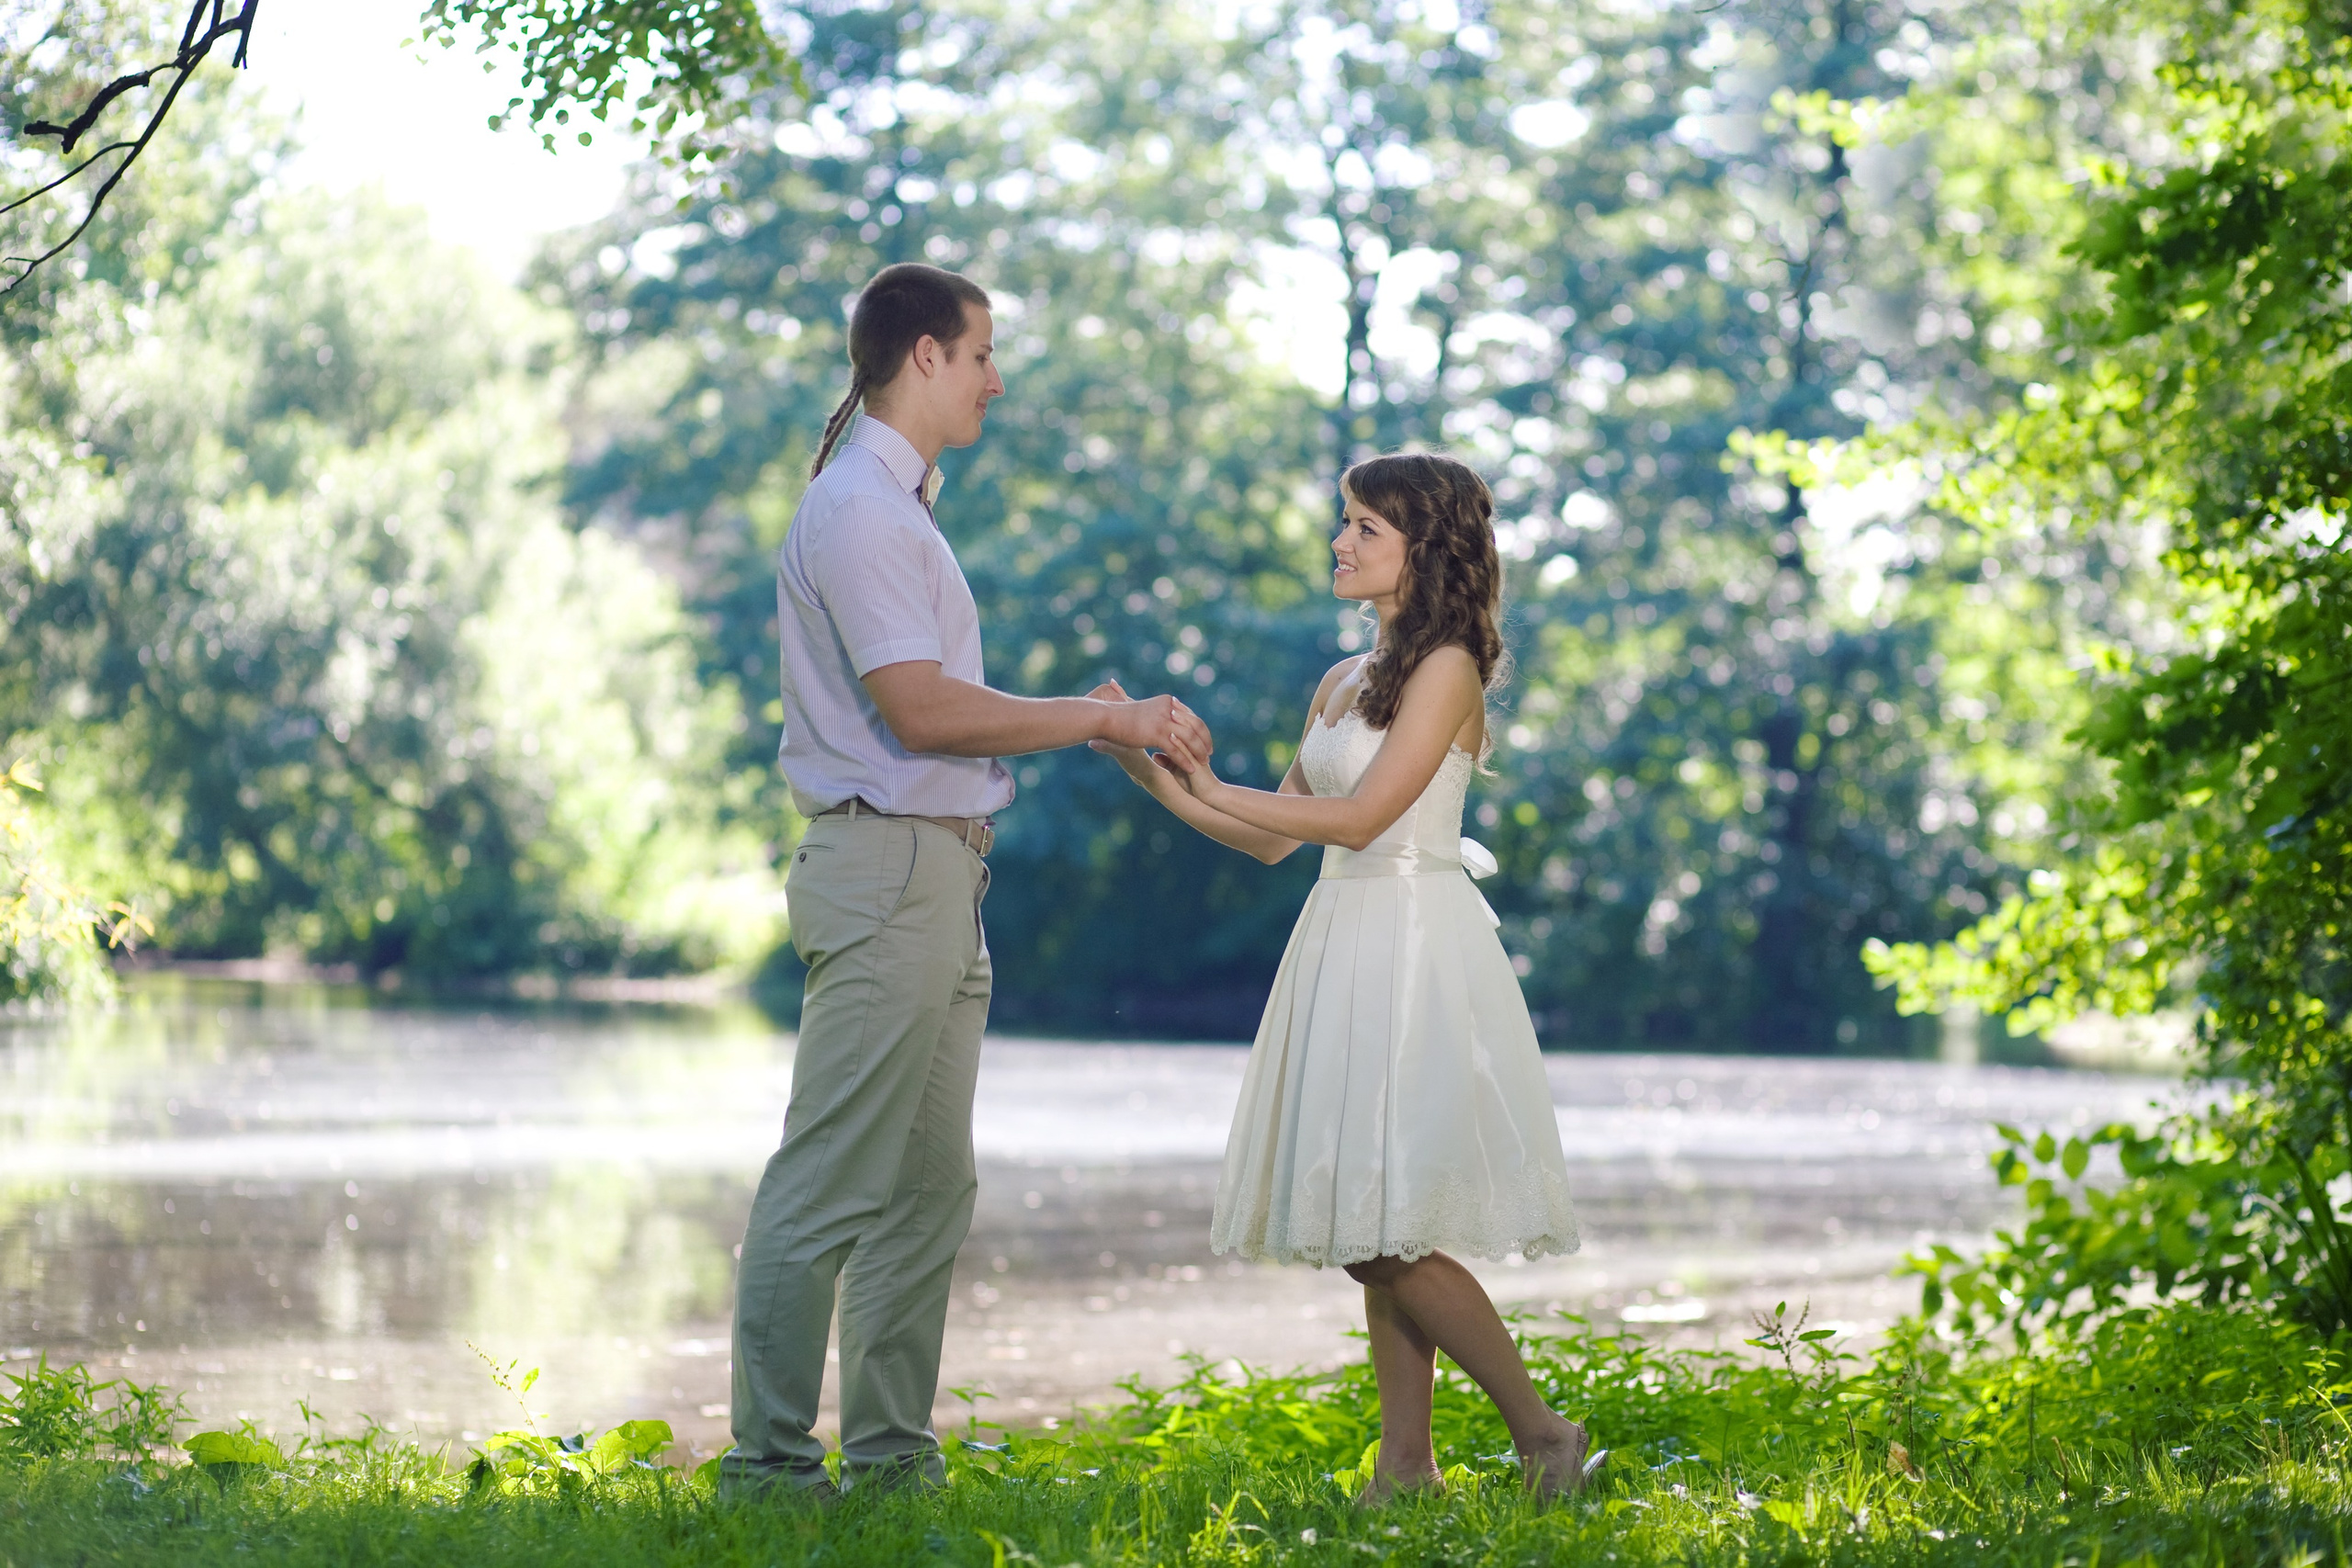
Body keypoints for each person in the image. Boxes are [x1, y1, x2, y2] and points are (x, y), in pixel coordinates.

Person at [726, 262, 1212, 1502]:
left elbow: (944, 709)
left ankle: (893, 1468)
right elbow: (925, 711)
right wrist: (1100, 724)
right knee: (832, 1174)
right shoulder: (860, 510)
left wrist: (1078, 715)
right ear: (924, 356)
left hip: (941, 877)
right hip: (886, 868)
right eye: (984, 351)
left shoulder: (903, 510)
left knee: (928, 1190)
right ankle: (770, 1473)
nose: (998, 377)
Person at [1091, 450, 1600, 1502]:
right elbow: (1272, 840)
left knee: (1388, 1229)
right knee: (1375, 1217)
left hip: (1413, 945)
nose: (1341, 540)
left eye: (1366, 526)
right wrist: (1147, 766)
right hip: (1340, 933)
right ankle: (1405, 1469)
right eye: (1346, 521)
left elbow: (1365, 819)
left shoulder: (1447, 666)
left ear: (1425, 547)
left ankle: (1542, 1431)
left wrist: (1222, 780)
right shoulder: (1338, 680)